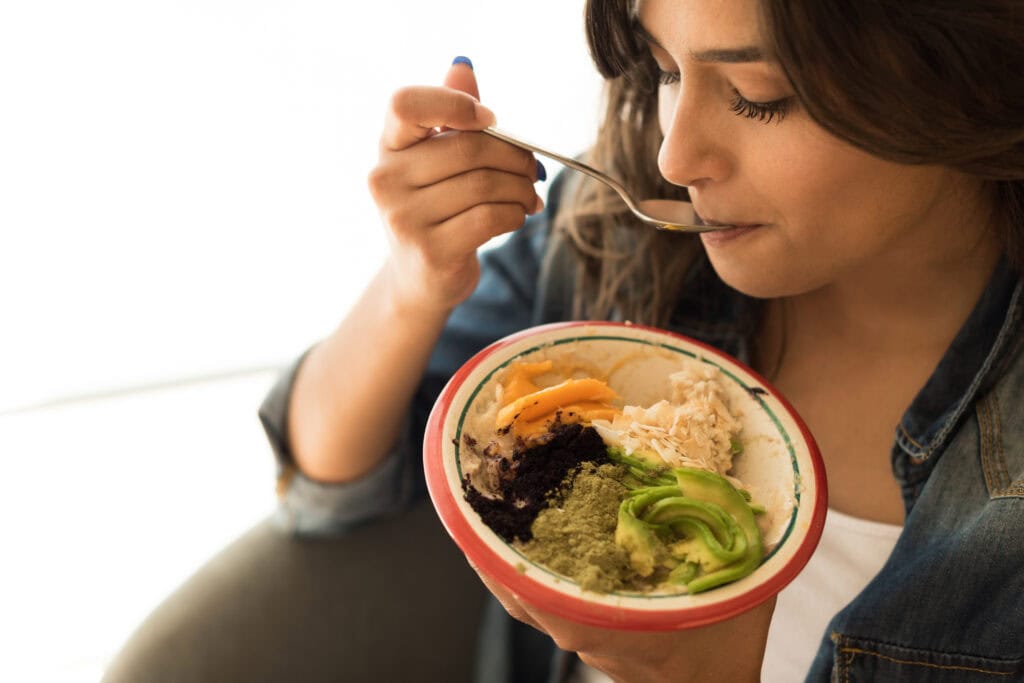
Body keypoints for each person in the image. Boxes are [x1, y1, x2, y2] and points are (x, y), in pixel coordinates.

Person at [103, 0, 1024, 681]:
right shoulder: (620, 234)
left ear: (967, 73)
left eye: (757, 95)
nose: (673, 155)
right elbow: (328, 489)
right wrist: (414, 283)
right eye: (666, 71)